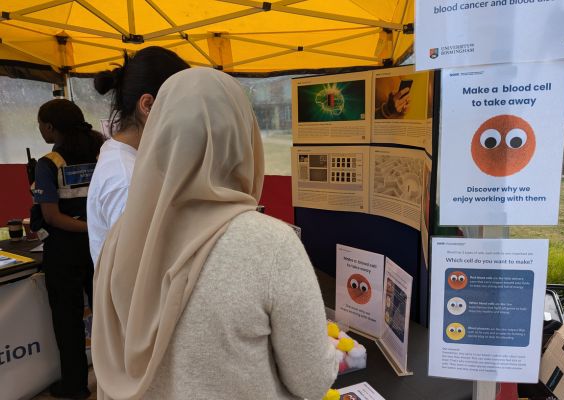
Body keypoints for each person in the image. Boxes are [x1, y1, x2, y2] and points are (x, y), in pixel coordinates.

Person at [92, 68, 338, 400]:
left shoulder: (120, 237)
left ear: (159, 137)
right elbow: (312, 379)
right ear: (244, 139)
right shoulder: (271, 244)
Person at [87, 46, 190, 266]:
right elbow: (139, 268)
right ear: (148, 105)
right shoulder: (127, 177)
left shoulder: (122, 156)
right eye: (183, 106)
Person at [32, 99, 104, 399]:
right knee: (105, 317)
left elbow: (50, 217)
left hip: (64, 252)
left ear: (50, 127)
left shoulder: (49, 163)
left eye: (41, 125)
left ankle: (74, 387)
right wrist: (98, 228)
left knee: (67, 320)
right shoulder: (102, 153)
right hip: (100, 248)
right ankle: (113, 379)